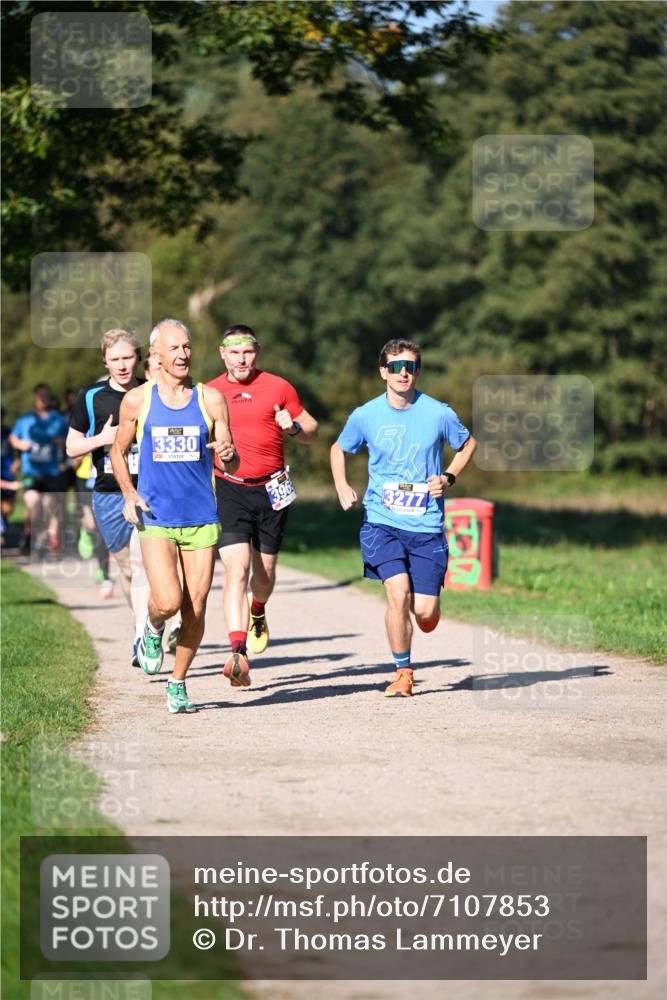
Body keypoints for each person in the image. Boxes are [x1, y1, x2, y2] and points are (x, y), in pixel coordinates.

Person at [330, 338, 477, 698]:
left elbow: (468, 443)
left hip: (426, 525)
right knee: (398, 593)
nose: (403, 373)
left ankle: (427, 612)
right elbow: (338, 448)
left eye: (410, 366)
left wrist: (448, 478)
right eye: (395, 366)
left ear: (417, 371)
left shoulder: (439, 412)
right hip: (381, 521)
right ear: (383, 371)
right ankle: (403, 672)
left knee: (424, 612)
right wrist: (342, 486)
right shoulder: (365, 415)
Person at [111, 318, 238, 714]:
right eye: (174, 348)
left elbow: (228, 448)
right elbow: (118, 450)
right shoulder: (138, 400)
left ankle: (178, 682)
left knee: (195, 607)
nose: (183, 354)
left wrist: (229, 451)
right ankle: (151, 629)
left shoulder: (211, 399)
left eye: (186, 347)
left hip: (201, 515)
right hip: (157, 516)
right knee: (167, 601)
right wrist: (129, 492)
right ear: (157, 356)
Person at [207, 324, 318, 687]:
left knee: (264, 576)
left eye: (248, 352)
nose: (242, 359)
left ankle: (258, 610)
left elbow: (313, 430)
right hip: (230, 488)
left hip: (273, 490)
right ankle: (237, 651)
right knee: (235, 570)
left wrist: (294, 428)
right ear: (223, 353)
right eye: (234, 352)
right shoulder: (209, 392)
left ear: (257, 353)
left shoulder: (278, 386)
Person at [66, 329, 148, 664]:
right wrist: (101, 439)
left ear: (138, 358)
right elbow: (71, 447)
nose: (122, 365)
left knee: (144, 563)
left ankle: (146, 633)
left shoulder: (151, 391)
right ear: (105, 361)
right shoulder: (91, 397)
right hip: (108, 493)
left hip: (148, 492)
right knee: (127, 569)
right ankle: (142, 623)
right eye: (114, 359)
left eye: (127, 357)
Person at [10, 384, 68, 557]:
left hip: (51, 471)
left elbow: (71, 439)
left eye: (45, 395)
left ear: (50, 398)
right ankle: (29, 535)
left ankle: (51, 542)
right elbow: (13, 437)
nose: (42, 398)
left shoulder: (58, 419)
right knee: (33, 504)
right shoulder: (25, 419)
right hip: (31, 471)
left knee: (49, 506)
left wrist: (61, 442)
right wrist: (20, 444)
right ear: (35, 397)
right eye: (39, 395)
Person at [1, 408, 20, 546]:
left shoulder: (8, 433)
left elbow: (19, 450)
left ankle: (4, 524)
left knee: (8, 508)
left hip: (8, 473)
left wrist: (17, 463)